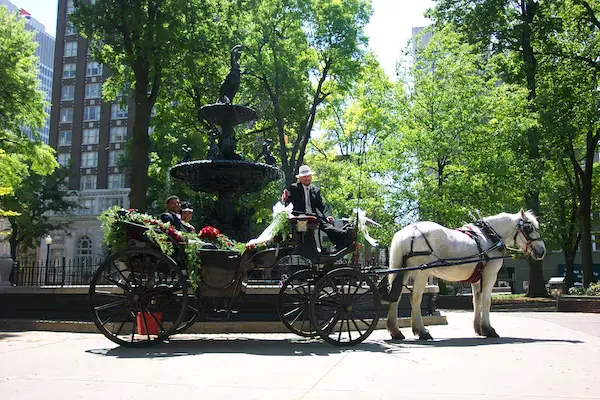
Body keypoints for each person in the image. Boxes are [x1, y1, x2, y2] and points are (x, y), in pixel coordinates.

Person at [281, 165, 352, 251]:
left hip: (313, 216)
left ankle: (343, 239)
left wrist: (328, 215)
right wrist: (285, 199)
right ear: (300, 178)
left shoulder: (315, 190)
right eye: (304, 177)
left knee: (327, 226)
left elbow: (321, 205)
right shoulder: (293, 188)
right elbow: (286, 201)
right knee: (303, 233)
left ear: (311, 177)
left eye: (308, 176)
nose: (307, 179)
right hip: (300, 217)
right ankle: (307, 250)